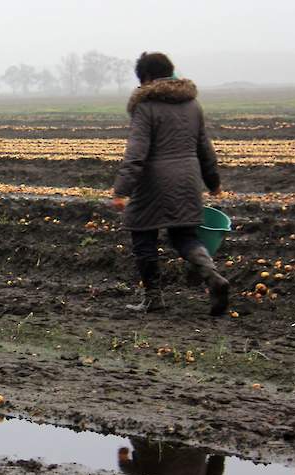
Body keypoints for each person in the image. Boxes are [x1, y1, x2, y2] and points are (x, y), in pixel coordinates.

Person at [112, 52, 228, 316]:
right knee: (184, 235)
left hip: (154, 183)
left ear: (148, 77)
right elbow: (204, 148)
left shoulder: (146, 106)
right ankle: (212, 276)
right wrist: (213, 183)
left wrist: (122, 190)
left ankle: (153, 297)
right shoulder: (192, 105)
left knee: (142, 232)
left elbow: (136, 153)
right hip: (188, 180)